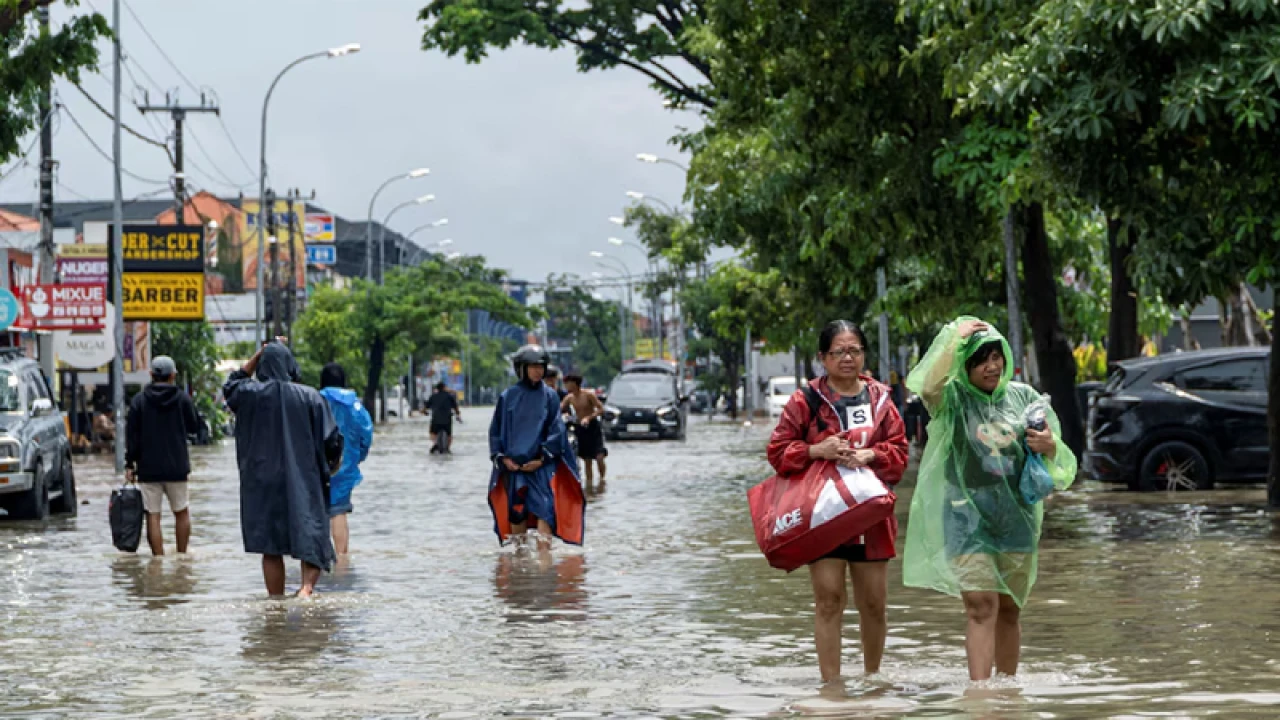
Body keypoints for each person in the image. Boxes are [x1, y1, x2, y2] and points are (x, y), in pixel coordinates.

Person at [903, 317, 1077, 681]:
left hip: (1017, 520)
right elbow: (927, 385)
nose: (991, 366)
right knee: (982, 607)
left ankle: (1007, 692)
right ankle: (980, 696)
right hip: (966, 519)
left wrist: (1049, 446)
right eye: (981, 359)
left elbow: (1057, 457)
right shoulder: (952, 400)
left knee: (1010, 609)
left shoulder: (1024, 398)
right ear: (965, 365)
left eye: (996, 356)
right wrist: (954, 337)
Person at [766, 321, 909, 681]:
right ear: (823, 358)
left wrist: (871, 456)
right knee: (828, 600)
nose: (848, 358)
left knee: (874, 604)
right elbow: (778, 451)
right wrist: (816, 449)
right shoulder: (805, 401)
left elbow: (900, 453)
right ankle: (831, 687)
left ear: (864, 353)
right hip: (823, 515)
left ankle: (872, 680)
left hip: (872, 515)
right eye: (839, 351)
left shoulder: (881, 399)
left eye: (855, 350)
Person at [224, 341, 344, 598]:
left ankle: (276, 600)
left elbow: (230, 385)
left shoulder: (248, 395)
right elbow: (332, 439)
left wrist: (258, 355)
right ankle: (306, 589)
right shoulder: (311, 396)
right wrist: (331, 464)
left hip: (261, 481)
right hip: (304, 477)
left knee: (271, 545)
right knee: (312, 533)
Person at [487, 345, 585, 552]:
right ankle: (520, 567)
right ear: (521, 368)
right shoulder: (508, 397)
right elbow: (495, 430)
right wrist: (502, 458)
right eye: (532, 367)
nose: (537, 371)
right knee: (517, 516)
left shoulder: (549, 397)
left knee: (545, 512)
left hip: (540, 467)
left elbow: (556, 430)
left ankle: (544, 564)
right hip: (514, 468)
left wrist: (542, 458)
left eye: (540, 366)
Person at [125, 356, 201, 556]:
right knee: (181, 511)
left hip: (148, 468)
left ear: (151, 375)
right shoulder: (183, 399)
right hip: (177, 466)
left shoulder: (139, 401)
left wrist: (129, 464)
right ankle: (182, 556)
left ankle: (157, 559)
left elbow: (131, 436)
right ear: (173, 376)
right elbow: (194, 427)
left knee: (153, 514)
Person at [318, 363, 374, 557]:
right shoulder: (355, 405)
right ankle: (342, 560)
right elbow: (366, 435)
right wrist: (357, 458)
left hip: (314, 465)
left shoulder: (314, 400)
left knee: (315, 511)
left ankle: (315, 559)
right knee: (338, 511)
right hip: (344, 465)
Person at [560, 373, 608, 492]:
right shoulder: (569, 398)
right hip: (580, 428)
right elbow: (559, 409)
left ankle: (602, 480)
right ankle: (590, 486)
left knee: (599, 457)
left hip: (592, 427)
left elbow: (601, 409)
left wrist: (589, 417)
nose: (566, 386)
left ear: (575, 383)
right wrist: (565, 415)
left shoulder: (588, 395)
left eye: (568, 383)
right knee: (587, 460)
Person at [427, 382, 462, 453]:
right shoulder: (450, 396)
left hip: (436, 419)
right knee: (449, 435)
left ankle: (435, 443)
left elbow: (425, 408)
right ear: (444, 388)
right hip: (447, 420)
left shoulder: (433, 396)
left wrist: (424, 412)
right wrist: (458, 415)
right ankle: (448, 448)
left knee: (432, 433)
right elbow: (456, 408)